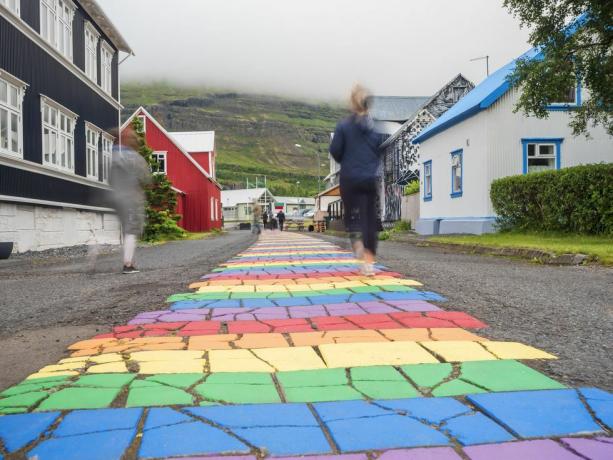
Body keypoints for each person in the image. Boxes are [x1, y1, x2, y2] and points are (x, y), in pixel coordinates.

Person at [329, 84, 384, 276]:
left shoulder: (343, 126)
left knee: (352, 216)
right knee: (369, 219)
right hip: (369, 178)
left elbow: (335, 151)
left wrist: (347, 158)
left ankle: (358, 245)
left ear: (351, 103)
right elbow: (379, 150)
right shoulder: (374, 128)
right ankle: (369, 262)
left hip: (350, 178)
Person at [109, 125, 151, 274]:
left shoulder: (110, 155)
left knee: (121, 227)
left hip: (114, 196)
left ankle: (94, 247)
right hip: (130, 198)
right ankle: (128, 264)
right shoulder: (133, 157)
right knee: (131, 230)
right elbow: (146, 178)